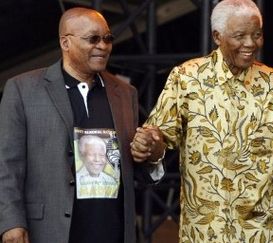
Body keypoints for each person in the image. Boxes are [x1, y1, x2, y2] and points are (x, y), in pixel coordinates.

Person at [130, 0, 273, 242]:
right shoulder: (186, 79)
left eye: (257, 35)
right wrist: (151, 145)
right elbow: (160, 135)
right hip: (203, 233)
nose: (250, 43)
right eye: (240, 36)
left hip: (259, 233)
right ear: (217, 36)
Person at [0, 7, 162, 243]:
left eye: (108, 39)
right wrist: (11, 222)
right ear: (66, 43)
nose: (103, 46)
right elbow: (7, 164)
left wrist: (150, 153)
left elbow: (131, 164)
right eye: (93, 39)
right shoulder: (23, 89)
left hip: (111, 229)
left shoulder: (125, 93)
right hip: (49, 230)